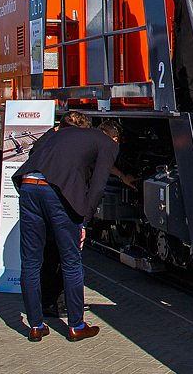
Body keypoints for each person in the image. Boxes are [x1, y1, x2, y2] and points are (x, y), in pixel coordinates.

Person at [14, 118, 121, 341]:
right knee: (71, 262)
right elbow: (99, 184)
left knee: (31, 262)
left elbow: (37, 153)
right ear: (116, 139)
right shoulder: (108, 144)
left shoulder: (64, 133)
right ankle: (76, 325)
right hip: (57, 193)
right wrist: (84, 221)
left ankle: (35, 326)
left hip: (28, 185)